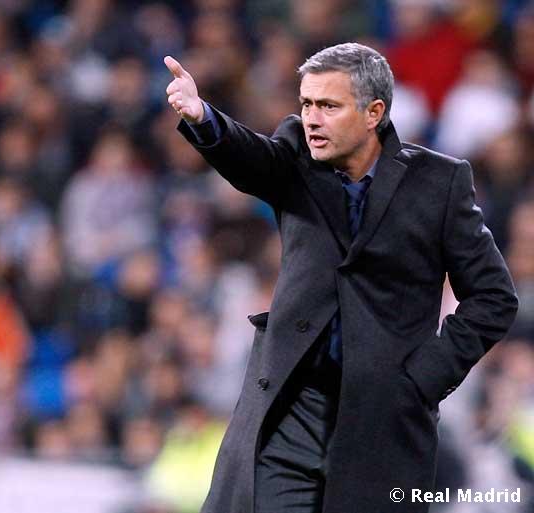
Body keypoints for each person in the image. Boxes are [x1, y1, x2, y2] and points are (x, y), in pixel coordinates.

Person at [164, 43, 518, 513]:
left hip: (381, 418)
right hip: (291, 408)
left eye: (328, 106)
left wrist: (422, 377)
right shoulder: (296, 155)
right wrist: (202, 117)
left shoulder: (439, 182)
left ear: (374, 113)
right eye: (307, 103)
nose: (312, 118)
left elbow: (494, 296)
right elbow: (252, 158)